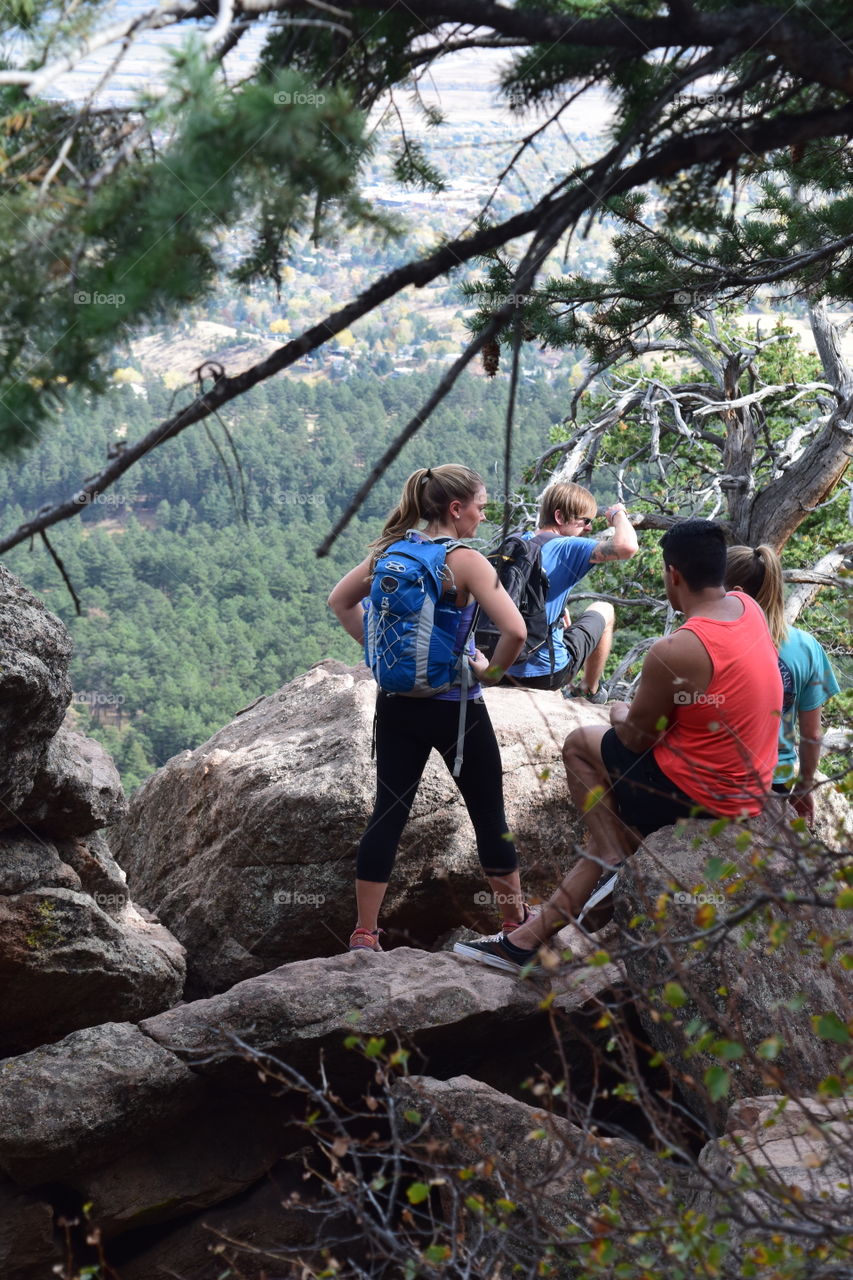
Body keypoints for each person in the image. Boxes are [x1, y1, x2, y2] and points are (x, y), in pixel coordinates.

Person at [455, 519, 783, 974]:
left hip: (702, 799)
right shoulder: (749, 609)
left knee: (580, 745)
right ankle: (526, 940)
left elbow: (633, 739)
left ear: (673, 575)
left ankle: (613, 854)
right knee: (607, 816)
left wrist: (618, 711)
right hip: (750, 791)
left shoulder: (680, 647)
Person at [328, 465, 529, 953]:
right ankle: (516, 928)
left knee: (387, 815)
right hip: (456, 708)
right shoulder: (466, 562)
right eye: (480, 506)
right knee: (489, 814)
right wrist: (492, 673)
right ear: (455, 509)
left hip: (396, 706)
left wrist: (376, 654)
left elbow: (340, 601)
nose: (483, 516)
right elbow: (516, 632)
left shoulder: (390, 552)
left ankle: (364, 932)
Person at [725, 544, 840, 824]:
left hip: (717, 778)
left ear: (733, 591)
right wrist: (804, 786)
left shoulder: (713, 641)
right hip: (776, 781)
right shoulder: (806, 647)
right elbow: (811, 735)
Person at [502, 482, 638, 698]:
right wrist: (618, 515)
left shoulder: (515, 542)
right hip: (545, 674)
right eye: (585, 521)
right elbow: (627, 546)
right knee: (605, 609)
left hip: (499, 668)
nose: (588, 528)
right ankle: (588, 690)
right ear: (559, 517)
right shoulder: (568, 546)